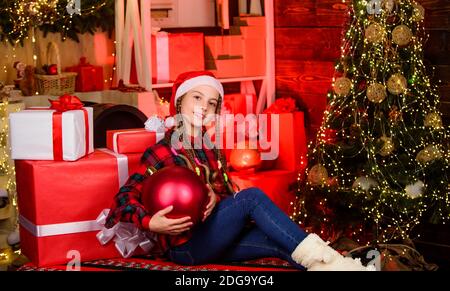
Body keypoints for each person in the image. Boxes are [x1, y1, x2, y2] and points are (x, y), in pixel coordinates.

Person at [104, 71, 375, 271]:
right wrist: (151, 222)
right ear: (179, 103)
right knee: (252, 197)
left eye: (211, 103)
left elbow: (222, 198)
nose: (204, 107)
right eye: (196, 98)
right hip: (185, 247)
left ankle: (339, 268)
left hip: (214, 234)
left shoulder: (212, 149)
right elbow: (123, 199)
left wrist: (214, 197)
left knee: (280, 243)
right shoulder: (161, 151)